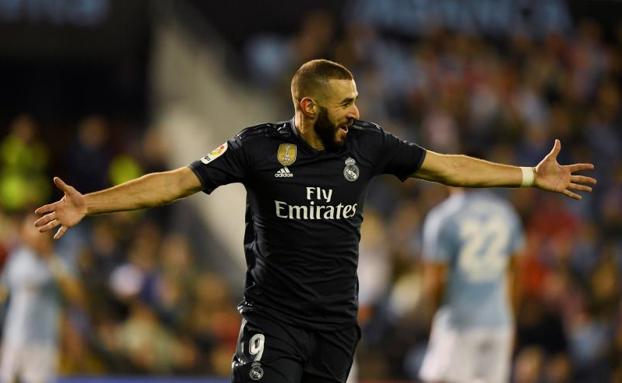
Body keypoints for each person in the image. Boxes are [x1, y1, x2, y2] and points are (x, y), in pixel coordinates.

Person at [34, 59, 596, 383]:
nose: (356, 111)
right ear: (307, 105)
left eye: (356, 100)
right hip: (272, 323)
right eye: (345, 102)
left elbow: (448, 168)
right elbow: (174, 183)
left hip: (335, 329)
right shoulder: (255, 148)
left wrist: (528, 176)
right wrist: (91, 203)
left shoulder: (371, 145)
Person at [418, 187, 524, 383]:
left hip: (459, 321)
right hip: (499, 322)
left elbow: (434, 281)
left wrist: (437, 315)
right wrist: (510, 318)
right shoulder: (506, 212)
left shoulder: (445, 216)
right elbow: (516, 273)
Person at [0, 214, 84, 383]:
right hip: (14, 338)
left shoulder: (58, 261)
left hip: (43, 341)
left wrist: (49, 258)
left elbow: (77, 296)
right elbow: (3, 291)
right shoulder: (18, 259)